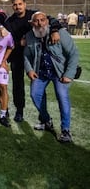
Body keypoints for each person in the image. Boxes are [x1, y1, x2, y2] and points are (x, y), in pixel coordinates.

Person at [4, 0, 61, 123]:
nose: (18, 7)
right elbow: (7, 41)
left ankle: (42, 114)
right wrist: (19, 43)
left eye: (20, 4)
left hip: (36, 56)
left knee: (39, 84)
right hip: (17, 56)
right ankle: (19, 111)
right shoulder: (9, 22)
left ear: (25, 4)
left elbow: (52, 20)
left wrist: (55, 30)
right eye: (15, 5)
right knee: (18, 85)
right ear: (12, 6)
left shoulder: (35, 15)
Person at [24, 12, 79, 143]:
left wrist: (69, 74)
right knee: (35, 94)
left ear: (47, 22)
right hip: (41, 72)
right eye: (36, 21)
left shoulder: (60, 33)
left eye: (43, 20)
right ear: (32, 23)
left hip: (60, 73)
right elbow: (26, 55)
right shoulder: (29, 36)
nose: (40, 23)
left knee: (62, 96)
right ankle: (46, 120)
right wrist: (29, 70)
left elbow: (73, 54)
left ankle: (65, 130)